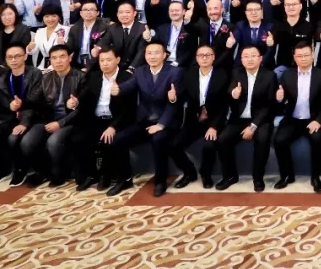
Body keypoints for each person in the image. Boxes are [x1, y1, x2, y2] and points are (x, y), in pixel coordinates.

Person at [108, 41, 184, 197]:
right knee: (119, 139)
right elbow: (129, 85)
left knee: (158, 139)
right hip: (145, 120)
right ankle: (124, 179)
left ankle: (160, 181)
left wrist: (161, 124)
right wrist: (118, 90)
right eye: (149, 53)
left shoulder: (175, 72)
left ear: (164, 55)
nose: (152, 56)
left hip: (166, 121)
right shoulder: (140, 71)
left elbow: (174, 104)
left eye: (156, 53)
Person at [20, 44, 85, 187]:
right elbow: (33, 101)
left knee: (53, 141)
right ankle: (42, 171)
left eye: (62, 57)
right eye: (54, 58)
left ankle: (59, 173)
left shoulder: (81, 77)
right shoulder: (46, 78)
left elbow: (84, 108)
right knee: (27, 142)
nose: (58, 61)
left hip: (71, 120)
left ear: (70, 58)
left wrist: (61, 123)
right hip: (48, 119)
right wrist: (21, 105)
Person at [71, 49, 136, 192]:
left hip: (118, 120)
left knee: (109, 140)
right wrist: (75, 102)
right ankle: (91, 174)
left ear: (117, 60)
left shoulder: (127, 78)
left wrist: (113, 126)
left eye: (109, 60)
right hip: (97, 119)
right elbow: (84, 98)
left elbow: (129, 108)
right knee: (79, 139)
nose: (105, 64)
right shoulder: (93, 77)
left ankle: (114, 177)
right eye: (102, 60)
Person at [216, 44, 278, 192]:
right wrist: (234, 94)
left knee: (262, 140)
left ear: (260, 58)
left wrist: (253, 126)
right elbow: (229, 93)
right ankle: (230, 176)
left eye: (253, 56)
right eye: (246, 56)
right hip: (239, 119)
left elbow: (269, 106)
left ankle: (258, 178)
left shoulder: (270, 76)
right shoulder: (236, 73)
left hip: (261, 119)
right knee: (222, 139)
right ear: (241, 60)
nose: (250, 59)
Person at [272, 41, 321, 192]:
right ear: (294, 57)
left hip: (313, 119)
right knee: (279, 140)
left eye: (306, 55)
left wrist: (319, 120)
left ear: (312, 56)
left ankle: (315, 177)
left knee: (318, 140)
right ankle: (287, 175)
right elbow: (281, 100)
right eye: (299, 56)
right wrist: (279, 98)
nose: (303, 58)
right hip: (293, 119)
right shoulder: (287, 75)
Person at [169, 44, 228, 190]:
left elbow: (224, 105)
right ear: (196, 58)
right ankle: (189, 173)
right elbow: (183, 95)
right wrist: (173, 97)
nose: (204, 58)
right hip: (195, 119)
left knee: (209, 145)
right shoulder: (190, 74)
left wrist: (214, 126)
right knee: (174, 145)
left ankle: (206, 174)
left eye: (208, 55)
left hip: (215, 119)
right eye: (201, 55)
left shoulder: (222, 74)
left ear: (213, 57)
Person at [0, 42, 43, 186]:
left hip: (33, 116)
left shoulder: (35, 73)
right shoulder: (2, 77)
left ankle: (20, 170)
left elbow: (35, 99)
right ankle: (2, 170)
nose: (13, 60)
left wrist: (24, 121)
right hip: (9, 117)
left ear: (25, 56)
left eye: (17, 56)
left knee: (13, 138)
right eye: (10, 57)